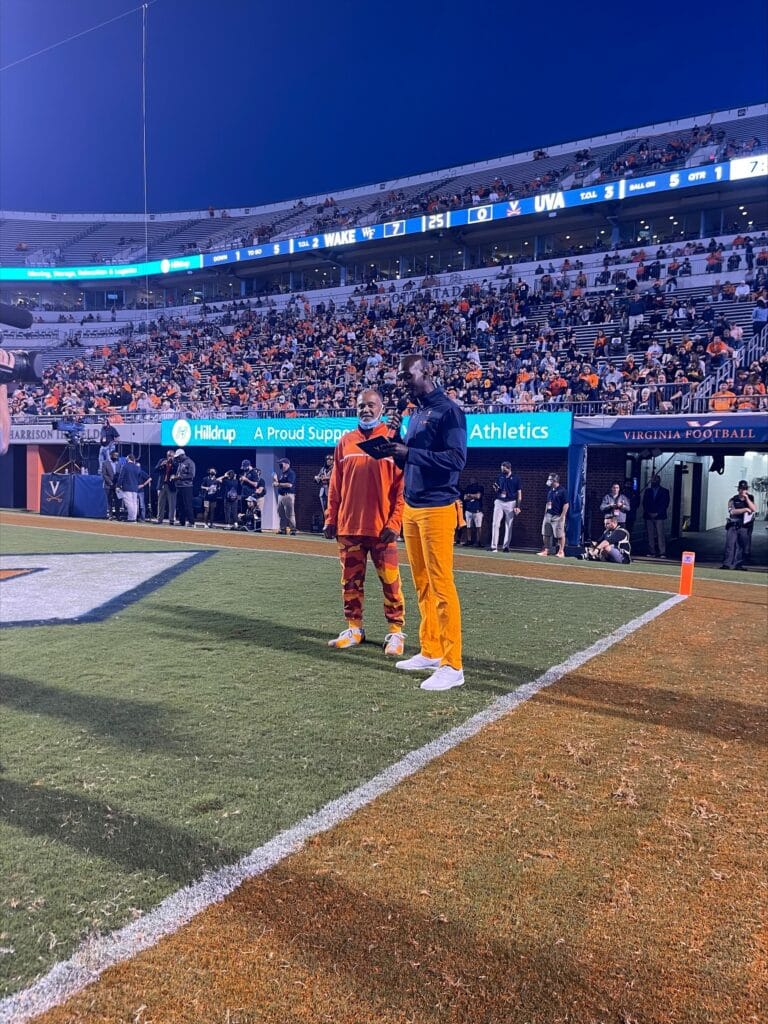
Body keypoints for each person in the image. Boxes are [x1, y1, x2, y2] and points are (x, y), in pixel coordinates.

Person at [379, 354, 467, 691]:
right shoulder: (414, 413)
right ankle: (430, 649)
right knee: (422, 585)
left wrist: (409, 454)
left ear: (427, 371)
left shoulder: (449, 411)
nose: (401, 382)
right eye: (399, 378)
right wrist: (394, 452)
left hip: (438, 507)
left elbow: (457, 459)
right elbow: (412, 460)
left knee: (442, 585)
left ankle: (452, 663)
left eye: (407, 375)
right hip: (413, 507)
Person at [324, 389, 406, 656]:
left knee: (391, 582)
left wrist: (395, 522)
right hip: (349, 528)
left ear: (381, 408)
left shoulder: (393, 440)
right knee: (350, 582)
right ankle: (354, 627)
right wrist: (331, 517)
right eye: (361, 405)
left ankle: (395, 632)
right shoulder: (345, 442)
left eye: (371, 405)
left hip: (383, 529)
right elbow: (335, 484)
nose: (366, 409)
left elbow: (401, 488)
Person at [721, 480, 756, 570]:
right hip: (733, 524)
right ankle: (727, 564)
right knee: (730, 545)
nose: (743, 490)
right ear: (738, 489)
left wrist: (747, 498)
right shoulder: (733, 499)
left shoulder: (750, 498)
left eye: (745, 488)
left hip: (744, 526)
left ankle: (738, 564)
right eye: (742, 488)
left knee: (741, 546)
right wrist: (745, 509)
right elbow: (732, 511)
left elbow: (753, 508)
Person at [489, 461, 522, 552]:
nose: (502, 471)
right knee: (495, 523)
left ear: (509, 468)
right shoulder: (500, 476)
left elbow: (519, 493)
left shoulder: (516, 478)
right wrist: (496, 489)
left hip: (510, 502)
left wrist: (518, 506)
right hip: (499, 501)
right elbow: (496, 487)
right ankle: (494, 546)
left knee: (509, 525)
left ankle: (506, 546)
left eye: (504, 469)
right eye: (502, 469)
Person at [538, 472, 569, 557]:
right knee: (545, 534)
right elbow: (548, 503)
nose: (548, 481)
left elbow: (566, 504)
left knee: (560, 535)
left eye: (549, 479)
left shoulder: (562, 491)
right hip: (548, 515)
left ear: (554, 480)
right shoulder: (550, 491)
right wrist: (545, 514)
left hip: (557, 516)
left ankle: (561, 551)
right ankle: (546, 550)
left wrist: (562, 517)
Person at [642, 473, 670, 557]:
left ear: (659, 481)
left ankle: (662, 552)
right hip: (648, 515)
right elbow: (644, 503)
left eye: (656, 480)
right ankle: (652, 551)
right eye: (653, 480)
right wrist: (649, 512)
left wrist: (657, 513)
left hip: (659, 516)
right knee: (650, 534)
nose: (654, 481)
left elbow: (665, 504)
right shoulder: (647, 491)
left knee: (660, 534)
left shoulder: (665, 491)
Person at [115, 453, 148, 523]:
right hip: (135, 488)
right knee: (134, 503)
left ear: (129, 458)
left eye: (127, 458)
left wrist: (118, 486)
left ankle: (131, 518)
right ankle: (133, 517)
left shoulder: (125, 466)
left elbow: (121, 477)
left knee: (129, 503)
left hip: (127, 487)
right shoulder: (137, 468)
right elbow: (139, 478)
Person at [171, 448, 196, 527]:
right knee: (180, 505)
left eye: (178, 457)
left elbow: (192, 475)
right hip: (179, 486)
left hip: (187, 486)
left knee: (187, 504)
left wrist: (179, 477)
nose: (177, 458)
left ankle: (191, 522)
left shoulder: (190, 462)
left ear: (182, 455)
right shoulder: (180, 463)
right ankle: (182, 521)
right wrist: (175, 477)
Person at [239, 460, 265, 532]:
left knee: (252, 511)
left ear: (248, 466)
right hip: (243, 493)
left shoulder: (254, 473)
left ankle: (253, 526)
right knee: (244, 511)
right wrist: (242, 480)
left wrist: (246, 479)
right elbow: (242, 484)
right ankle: (244, 525)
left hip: (250, 494)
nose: (244, 468)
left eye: (245, 467)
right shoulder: (246, 472)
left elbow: (255, 484)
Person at [273, 458, 297, 534]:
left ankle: (293, 530)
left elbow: (289, 484)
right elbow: (278, 483)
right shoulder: (281, 473)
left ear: (286, 464)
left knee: (290, 514)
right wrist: (275, 480)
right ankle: (282, 529)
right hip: (281, 495)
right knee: (281, 513)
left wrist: (278, 484)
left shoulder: (291, 473)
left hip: (288, 495)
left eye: (281, 463)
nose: (280, 464)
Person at [460, 477, 484, 546]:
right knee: (468, 526)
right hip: (468, 510)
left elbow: (478, 496)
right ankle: (469, 540)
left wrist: (470, 495)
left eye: (473, 479)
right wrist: (474, 496)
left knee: (478, 526)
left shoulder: (480, 487)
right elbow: (465, 497)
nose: (472, 481)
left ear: (476, 480)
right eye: (471, 480)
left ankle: (479, 541)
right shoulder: (468, 487)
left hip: (478, 510)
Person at [154, 450, 177, 524]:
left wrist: (172, 462)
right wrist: (161, 465)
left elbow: (177, 471)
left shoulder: (176, 463)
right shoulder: (162, 461)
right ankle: (159, 519)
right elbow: (155, 470)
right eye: (168, 455)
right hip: (162, 484)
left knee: (172, 503)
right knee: (160, 503)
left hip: (171, 485)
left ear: (174, 456)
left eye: (171, 456)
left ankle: (171, 520)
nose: (169, 457)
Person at [100, 448, 120, 519]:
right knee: (109, 500)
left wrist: (117, 484)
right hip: (108, 485)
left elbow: (120, 474)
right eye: (115, 456)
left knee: (117, 500)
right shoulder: (105, 463)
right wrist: (110, 483)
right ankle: (110, 515)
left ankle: (118, 515)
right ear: (111, 455)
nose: (116, 457)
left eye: (117, 456)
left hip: (116, 486)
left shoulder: (119, 463)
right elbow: (104, 474)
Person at [314, 453, 334, 518]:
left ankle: (331, 523)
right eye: (327, 459)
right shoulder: (323, 469)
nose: (328, 461)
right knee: (324, 509)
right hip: (323, 490)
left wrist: (327, 478)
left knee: (331, 508)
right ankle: (326, 523)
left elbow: (336, 479)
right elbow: (319, 478)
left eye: (330, 459)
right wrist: (317, 478)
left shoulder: (335, 469)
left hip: (331, 490)